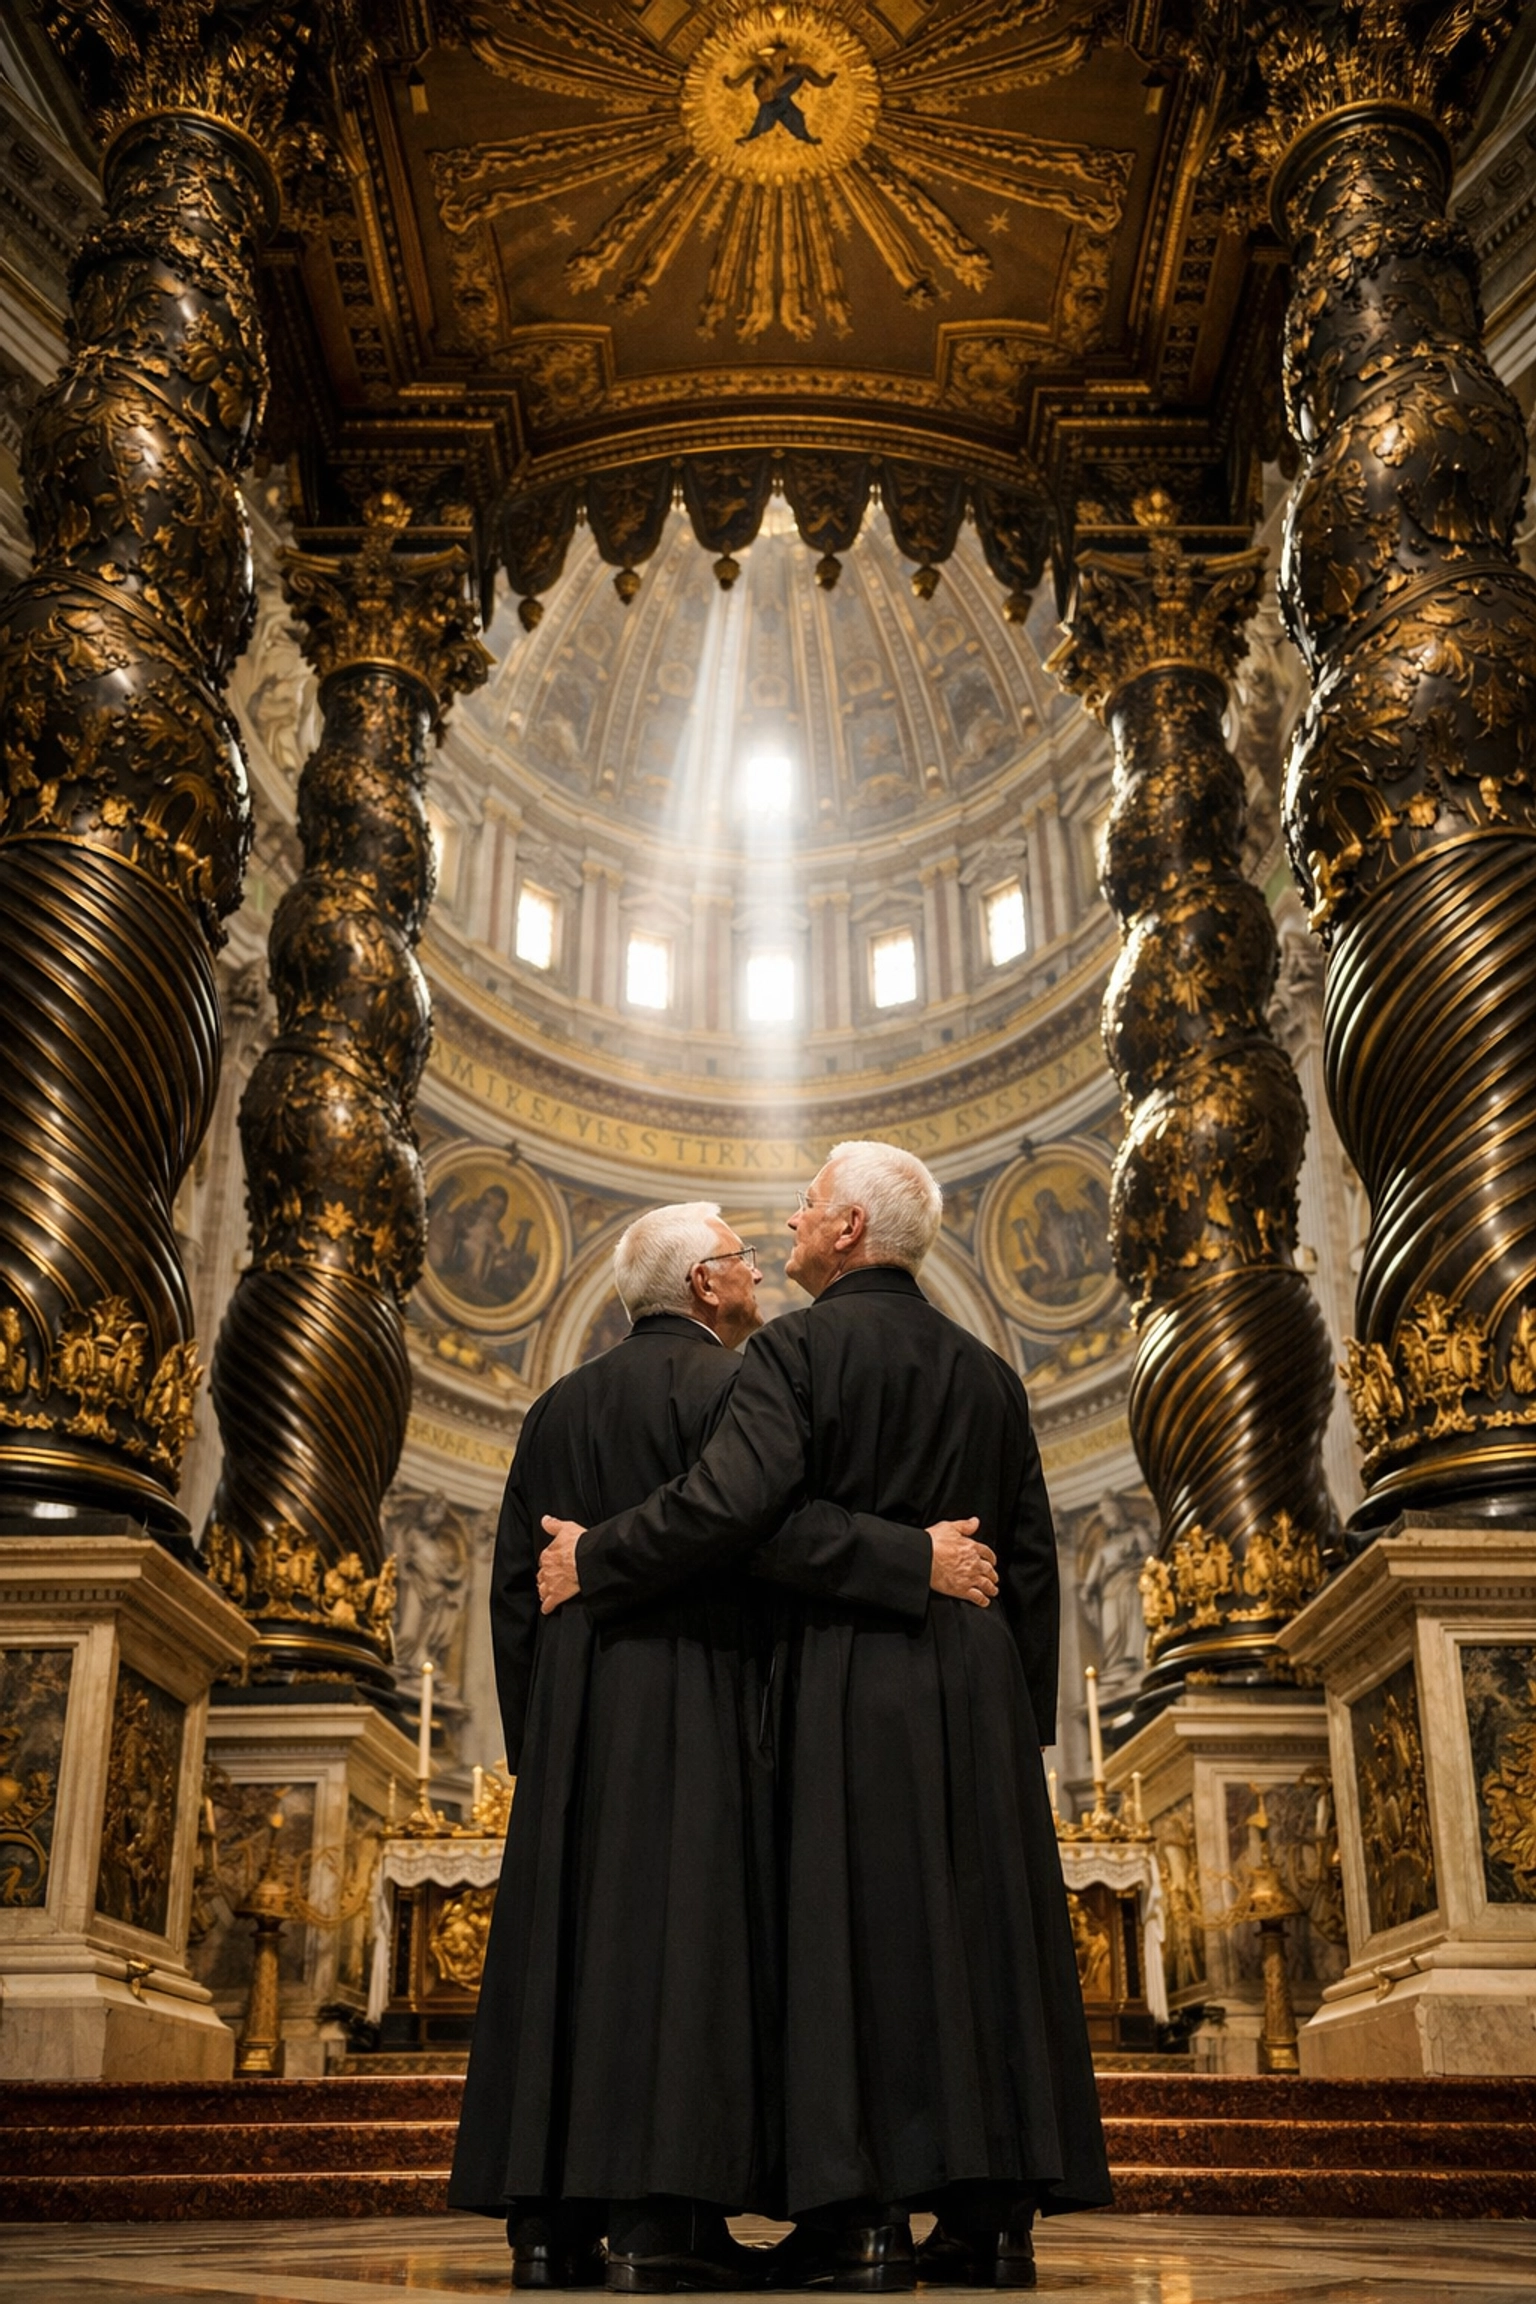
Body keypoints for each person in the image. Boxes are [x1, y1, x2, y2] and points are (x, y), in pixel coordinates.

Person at [539, 1145, 1112, 2292]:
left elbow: (739, 1519)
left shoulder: (795, 1350)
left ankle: (860, 2218)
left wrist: (599, 1556)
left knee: (855, 1945)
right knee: (981, 1944)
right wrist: (1013, 1718)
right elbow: (1034, 1562)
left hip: (856, 1669)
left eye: (806, 1206)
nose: (790, 1222)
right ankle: (996, 2228)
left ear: (849, 1228)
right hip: (982, 1679)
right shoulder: (992, 1373)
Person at [449, 1200, 997, 2294]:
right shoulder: (740, 1387)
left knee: (573, 1962)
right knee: (687, 1961)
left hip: (577, 1716)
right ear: (705, 1285)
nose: (758, 1270)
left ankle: (549, 2228)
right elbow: (766, 1537)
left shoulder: (555, 1407)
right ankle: (667, 2223)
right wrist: (907, 1559)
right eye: (741, 1258)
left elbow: (518, 1586)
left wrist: (545, 1736)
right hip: (704, 1703)